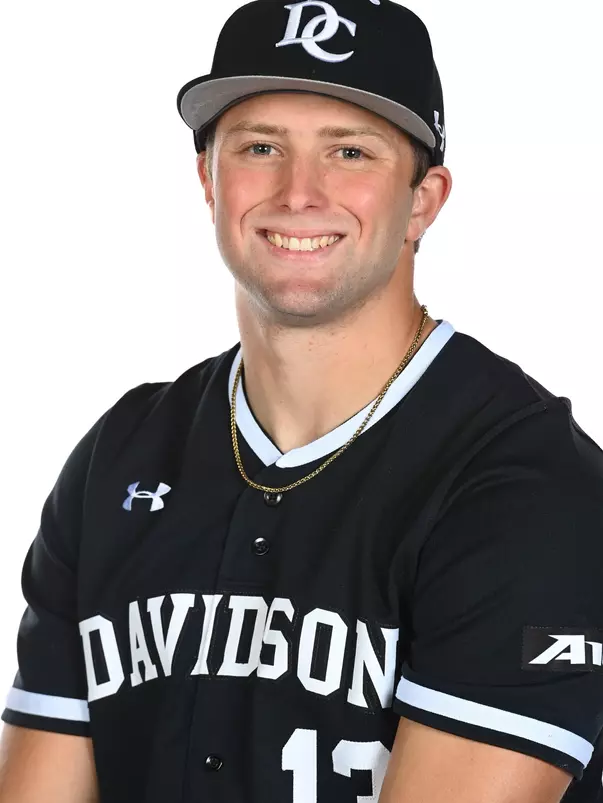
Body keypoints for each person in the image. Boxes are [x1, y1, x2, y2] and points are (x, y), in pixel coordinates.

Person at [1, 1, 603, 801]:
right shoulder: (121, 453)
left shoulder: (528, 483)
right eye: (260, 147)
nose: (299, 193)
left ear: (422, 200)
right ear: (208, 179)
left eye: (349, 152)